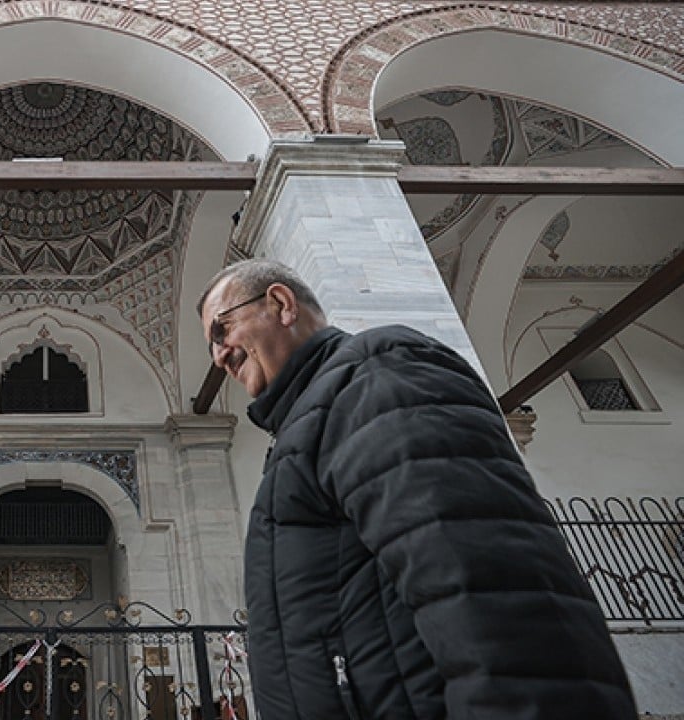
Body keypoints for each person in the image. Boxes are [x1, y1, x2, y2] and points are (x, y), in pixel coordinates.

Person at [197, 259, 635, 719]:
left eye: (221, 331)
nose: (218, 356)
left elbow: (493, 597)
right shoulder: (312, 421)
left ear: (281, 304)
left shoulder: (377, 378)